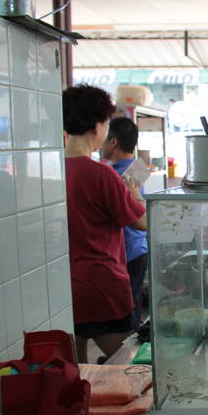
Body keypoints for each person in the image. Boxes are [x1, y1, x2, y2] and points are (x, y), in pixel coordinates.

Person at [63, 85, 148, 364]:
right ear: (98, 125)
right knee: (131, 366)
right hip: (102, 286)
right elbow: (141, 221)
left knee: (73, 376)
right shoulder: (102, 174)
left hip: (64, 288)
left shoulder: (50, 171)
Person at [101, 117, 148, 332]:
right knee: (134, 299)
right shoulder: (137, 167)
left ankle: (130, 350)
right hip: (139, 247)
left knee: (128, 306)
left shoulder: (113, 174)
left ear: (113, 142)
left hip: (126, 249)